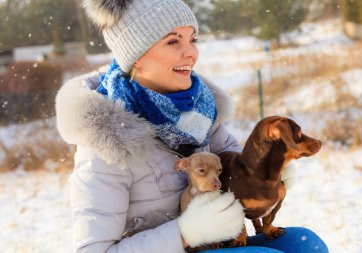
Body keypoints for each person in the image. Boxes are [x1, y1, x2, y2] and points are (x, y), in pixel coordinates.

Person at [55, 0, 329, 252]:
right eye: (173, 42)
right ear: (136, 56)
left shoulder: (200, 112)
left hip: (216, 243)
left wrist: (267, 170)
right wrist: (185, 233)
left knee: (305, 245)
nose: (191, 54)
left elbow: (238, 168)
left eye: (192, 39)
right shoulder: (105, 144)